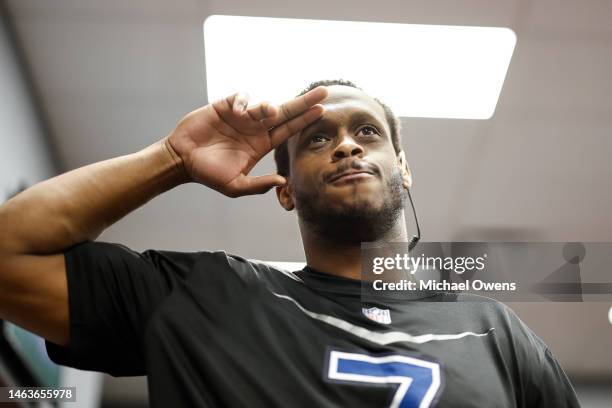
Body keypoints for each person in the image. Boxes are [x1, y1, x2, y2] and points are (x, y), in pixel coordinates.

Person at [0, 79, 580, 407]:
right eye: (317, 139)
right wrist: (172, 160)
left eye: (367, 133)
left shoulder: (495, 331)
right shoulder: (203, 298)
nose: (347, 146)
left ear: (404, 170)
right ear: (284, 192)